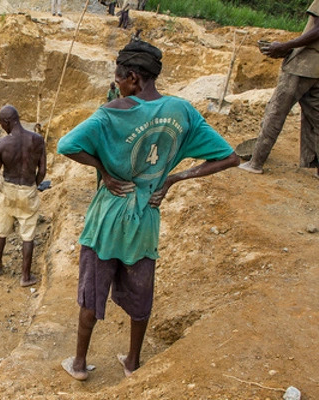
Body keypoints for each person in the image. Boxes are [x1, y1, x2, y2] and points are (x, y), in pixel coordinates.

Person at [56, 39, 240, 381]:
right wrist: (172, 179)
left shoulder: (111, 113)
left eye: (119, 80)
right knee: (141, 293)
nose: (116, 86)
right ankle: (131, 362)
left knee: (91, 294)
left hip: (108, 216)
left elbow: (66, 145)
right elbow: (229, 157)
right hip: (145, 217)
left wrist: (108, 173)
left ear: (133, 78)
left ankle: (79, 364)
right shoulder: (182, 110)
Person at [239, 0, 319, 177]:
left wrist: (286, 46)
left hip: (302, 66)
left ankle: (256, 162)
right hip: (316, 69)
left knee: (276, 111)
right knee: (316, 117)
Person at [0, 105, 47, 287]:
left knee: (0, 230)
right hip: (28, 189)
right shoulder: (37, 140)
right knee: (28, 235)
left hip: (7, 190)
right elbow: (43, 170)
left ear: (6, 122)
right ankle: (25, 277)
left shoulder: (2, 144)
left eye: (1, 124)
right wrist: (33, 185)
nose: (2, 128)